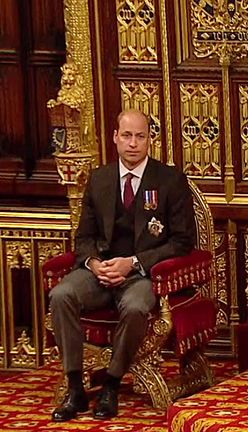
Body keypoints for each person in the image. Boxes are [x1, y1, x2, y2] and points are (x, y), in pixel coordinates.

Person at [49, 110, 196, 421]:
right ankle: (75, 388)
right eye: (126, 136)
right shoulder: (99, 179)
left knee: (135, 306)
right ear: (115, 137)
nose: (133, 143)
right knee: (62, 295)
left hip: (141, 274)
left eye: (140, 136)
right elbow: (84, 237)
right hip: (99, 273)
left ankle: (112, 385)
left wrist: (133, 263)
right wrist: (93, 263)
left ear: (150, 140)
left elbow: (182, 241)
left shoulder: (170, 180)